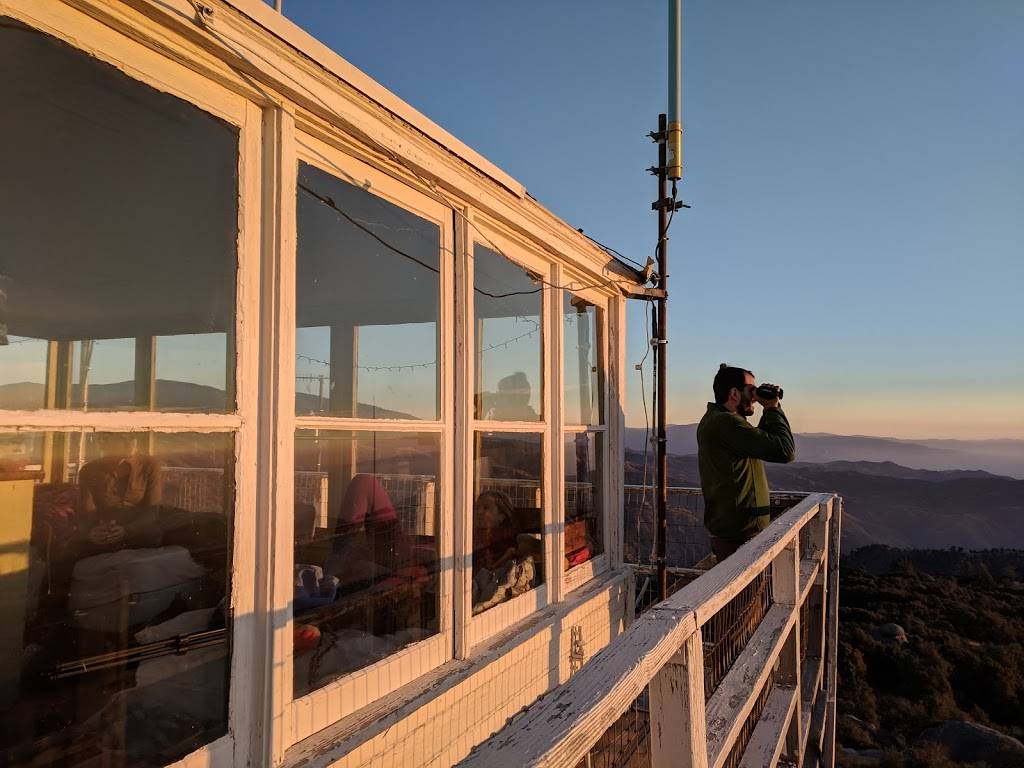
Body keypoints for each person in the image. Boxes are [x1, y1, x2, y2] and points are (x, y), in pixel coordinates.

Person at [697, 364, 796, 562]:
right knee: (745, 593)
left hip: (739, 534)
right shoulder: (724, 423)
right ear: (734, 393)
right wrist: (772, 408)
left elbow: (760, 443)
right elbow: (785, 451)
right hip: (738, 536)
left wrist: (771, 409)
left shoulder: (725, 421)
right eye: (751, 390)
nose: (755, 397)